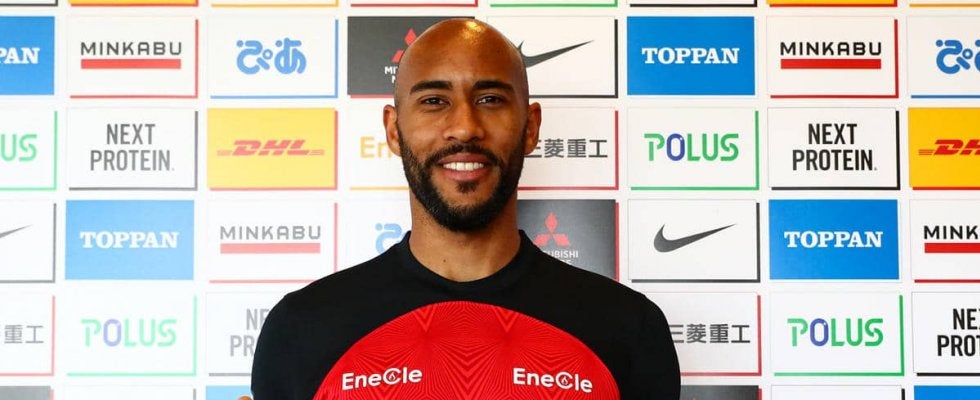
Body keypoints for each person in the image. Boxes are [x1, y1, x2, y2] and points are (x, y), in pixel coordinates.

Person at [251, 18, 680, 400]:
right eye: (434, 101)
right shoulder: (303, 327)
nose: (464, 128)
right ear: (394, 130)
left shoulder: (627, 327)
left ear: (530, 127)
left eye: (490, 99)